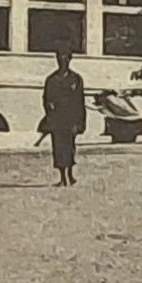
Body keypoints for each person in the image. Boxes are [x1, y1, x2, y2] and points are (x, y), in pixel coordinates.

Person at [35, 47, 86, 187]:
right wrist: (49, 108)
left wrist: (80, 122)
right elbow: (46, 98)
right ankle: (62, 177)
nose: (62, 60)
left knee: (70, 147)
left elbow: (80, 101)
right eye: (59, 57)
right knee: (58, 148)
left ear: (70, 59)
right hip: (57, 118)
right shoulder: (51, 80)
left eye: (65, 57)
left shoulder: (76, 79)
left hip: (71, 118)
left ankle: (70, 174)